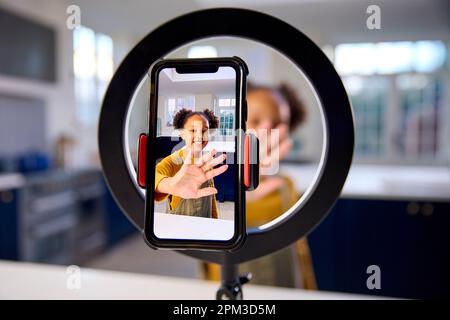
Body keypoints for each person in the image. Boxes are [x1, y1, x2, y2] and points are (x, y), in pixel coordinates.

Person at [203, 83, 317, 289]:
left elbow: (299, 253)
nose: (264, 131)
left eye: (277, 124)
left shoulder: (285, 185)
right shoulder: (212, 186)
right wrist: (237, 196)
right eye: (255, 120)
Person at [154, 108, 228, 219]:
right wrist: (171, 185)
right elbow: (154, 176)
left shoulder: (206, 162)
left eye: (204, 130)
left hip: (205, 226)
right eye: (193, 130)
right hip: (178, 229)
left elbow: (210, 197)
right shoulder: (172, 161)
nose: (199, 136)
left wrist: (215, 221)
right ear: (182, 133)